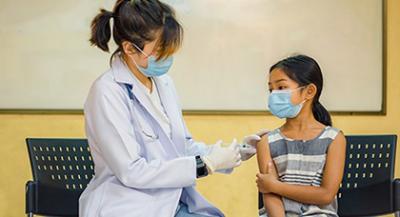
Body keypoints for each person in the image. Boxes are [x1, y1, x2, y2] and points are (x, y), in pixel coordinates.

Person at [79, 1, 256, 217]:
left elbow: (183, 147)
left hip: (171, 202)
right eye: (159, 50)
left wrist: (236, 151)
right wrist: (204, 165)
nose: (167, 57)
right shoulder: (107, 91)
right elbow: (131, 172)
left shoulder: (163, 83)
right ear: (129, 48)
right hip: (127, 205)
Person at [255, 55, 347, 217]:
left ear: (309, 91)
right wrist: (270, 187)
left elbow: (326, 195)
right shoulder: (266, 142)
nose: (274, 94)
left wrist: (274, 186)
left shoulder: (334, 139)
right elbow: (271, 199)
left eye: (281, 87)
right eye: (271, 89)